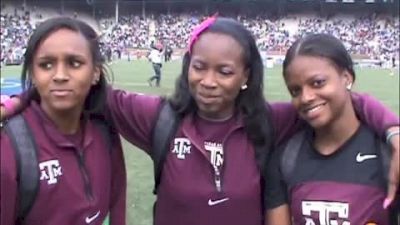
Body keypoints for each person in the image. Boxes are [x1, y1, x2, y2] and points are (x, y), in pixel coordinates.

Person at [1, 17, 399, 225]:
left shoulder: (273, 121)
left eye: (224, 71)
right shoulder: (158, 118)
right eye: (198, 67)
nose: (207, 82)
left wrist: (392, 128)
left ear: (246, 76)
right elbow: (73, 84)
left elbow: (339, 98)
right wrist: (16, 103)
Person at [0, 17, 126, 225]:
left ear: (95, 72)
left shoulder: (105, 131)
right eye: (46, 65)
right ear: (33, 72)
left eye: (74, 63)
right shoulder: (10, 147)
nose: (59, 75)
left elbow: (117, 202)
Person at [265, 34, 399, 224]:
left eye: (318, 82)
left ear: (346, 77)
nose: (306, 97)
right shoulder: (286, 158)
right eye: (295, 90)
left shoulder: (389, 155)